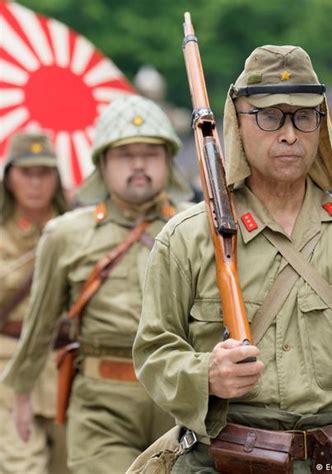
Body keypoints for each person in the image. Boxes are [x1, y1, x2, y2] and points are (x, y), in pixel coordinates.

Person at [133, 45, 332, 472]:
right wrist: (206, 374)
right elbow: (155, 352)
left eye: (304, 116)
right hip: (229, 460)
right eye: (269, 116)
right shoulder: (187, 238)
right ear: (238, 122)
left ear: (321, 125)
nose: (289, 133)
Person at [2, 95, 193, 474]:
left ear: (168, 162)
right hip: (102, 404)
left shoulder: (197, 227)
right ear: (102, 163)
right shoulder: (66, 234)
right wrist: (21, 391)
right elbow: (40, 324)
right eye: (125, 155)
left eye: (151, 154)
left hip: (179, 401)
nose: (139, 165)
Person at [0, 131, 69, 474]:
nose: (36, 183)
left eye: (45, 173)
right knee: (22, 466)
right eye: (27, 173)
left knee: (70, 466)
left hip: (64, 365)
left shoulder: (77, 228)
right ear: (8, 177)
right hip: (9, 364)